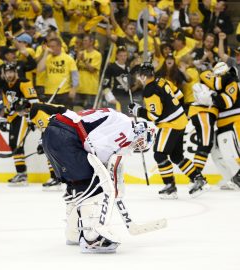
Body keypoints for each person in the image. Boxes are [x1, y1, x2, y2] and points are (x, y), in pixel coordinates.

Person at [42, 106, 151, 253]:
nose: (138, 146)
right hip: (66, 137)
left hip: (56, 134)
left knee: (77, 184)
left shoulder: (118, 119)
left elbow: (90, 135)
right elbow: (95, 147)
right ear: (139, 131)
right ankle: (91, 238)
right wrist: (105, 173)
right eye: (142, 141)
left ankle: (74, 233)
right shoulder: (126, 129)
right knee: (94, 186)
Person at [129, 62, 209, 199]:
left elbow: (154, 115)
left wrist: (138, 111)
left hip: (170, 124)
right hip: (181, 120)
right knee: (176, 156)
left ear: (142, 76)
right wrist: (176, 110)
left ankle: (170, 187)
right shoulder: (162, 80)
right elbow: (179, 95)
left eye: (139, 75)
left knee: (159, 155)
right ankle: (198, 179)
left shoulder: (149, 90)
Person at [200, 62, 240, 190]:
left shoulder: (232, 83)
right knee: (221, 153)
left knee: (235, 152)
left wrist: (212, 95)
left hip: (234, 122)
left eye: (220, 75)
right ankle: (231, 177)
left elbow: (226, 102)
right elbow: (203, 75)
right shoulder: (221, 83)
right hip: (222, 123)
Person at [0, 63, 39, 186]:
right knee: (13, 144)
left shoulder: (24, 82)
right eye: (7, 72)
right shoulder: (4, 86)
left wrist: (32, 118)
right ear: (4, 73)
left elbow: (34, 101)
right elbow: (8, 106)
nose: (9, 74)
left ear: (15, 72)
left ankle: (22, 175)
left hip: (23, 116)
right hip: (13, 118)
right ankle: (21, 173)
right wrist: (4, 118)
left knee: (17, 144)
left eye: (11, 72)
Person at [13, 98, 65, 191]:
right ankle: (57, 178)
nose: (20, 114)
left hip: (64, 122)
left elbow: (48, 129)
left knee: (50, 149)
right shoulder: (33, 109)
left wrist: (41, 143)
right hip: (61, 121)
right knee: (50, 149)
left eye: (21, 111)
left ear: (27, 109)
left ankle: (56, 179)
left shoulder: (37, 113)